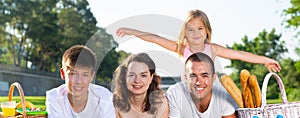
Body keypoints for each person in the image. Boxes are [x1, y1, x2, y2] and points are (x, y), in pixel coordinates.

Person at [116, 9, 281, 73]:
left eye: (200, 29)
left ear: (207, 31)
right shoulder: (181, 48)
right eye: (191, 30)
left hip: (208, 89)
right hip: (189, 89)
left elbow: (239, 54)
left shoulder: (213, 49)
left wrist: (266, 60)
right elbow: (155, 38)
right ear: (185, 33)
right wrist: (131, 31)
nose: (195, 33)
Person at [46, 45, 119, 118]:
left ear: (92, 76)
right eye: (73, 74)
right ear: (63, 73)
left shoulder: (103, 96)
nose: (79, 81)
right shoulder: (54, 97)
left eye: (85, 75)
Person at [166, 52, 238, 118]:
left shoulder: (224, 95)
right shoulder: (175, 93)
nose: (198, 82)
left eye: (204, 76)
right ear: (185, 78)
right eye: (193, 76)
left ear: (214, 78)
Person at [111, 53, 169, 118]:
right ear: (125, 77)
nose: (137, 80)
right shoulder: (115, 101)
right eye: (131, 75)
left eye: (143, 75)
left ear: (151, 78)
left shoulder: (160, 102)